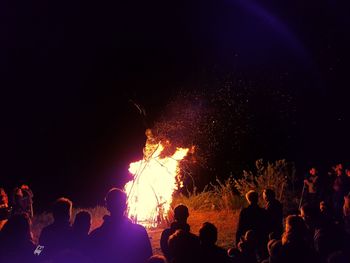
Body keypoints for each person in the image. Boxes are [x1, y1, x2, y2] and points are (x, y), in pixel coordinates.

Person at [88, 188, 152, 263]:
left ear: (107, 206)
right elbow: (148, 259)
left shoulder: (96, 235)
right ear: (125, 206)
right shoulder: (140, 232)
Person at [236, 190, 268, 259]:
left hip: (248, 239)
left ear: (248, 199)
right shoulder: (263, 211)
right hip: (260, 238)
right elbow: (265, 227)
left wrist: (237, 240)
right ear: (257, 199)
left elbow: (240, 226)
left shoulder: (244, 211)